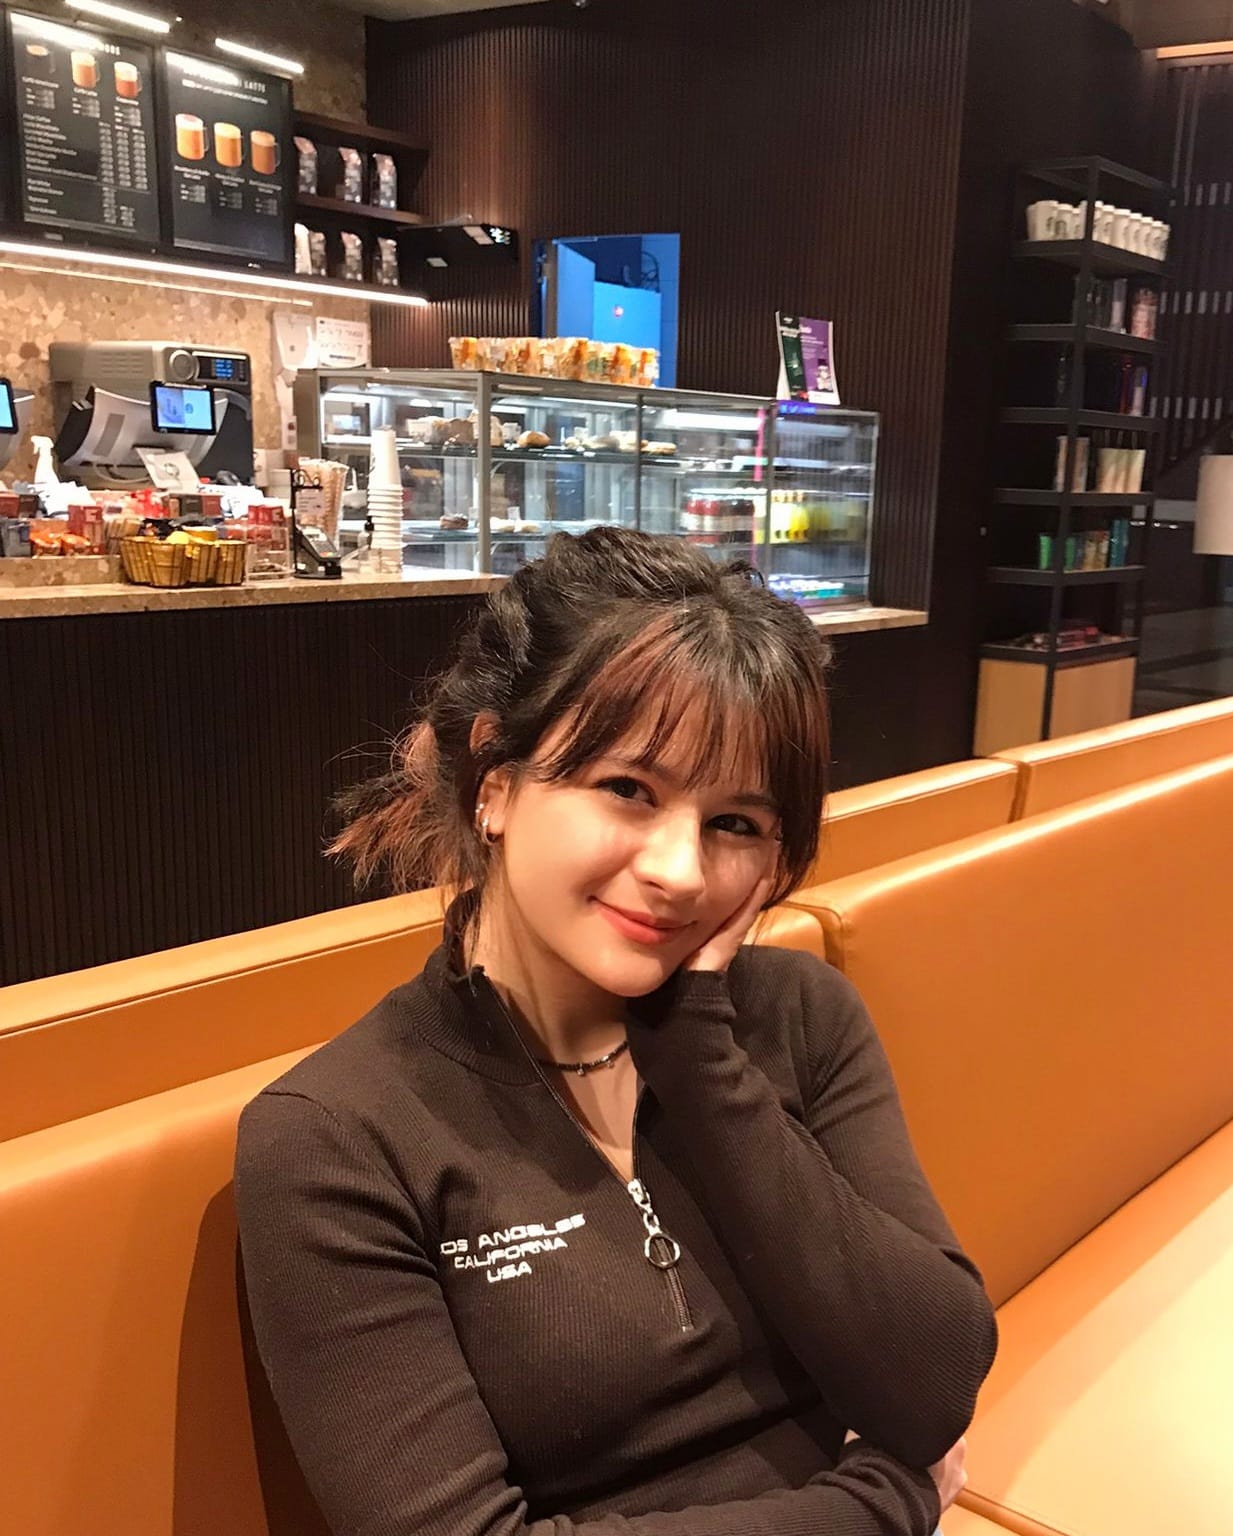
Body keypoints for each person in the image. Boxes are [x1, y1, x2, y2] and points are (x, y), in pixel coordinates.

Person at [235, 527, 997, 1536]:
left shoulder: (800, 1017)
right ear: (495, 780)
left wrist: (701, 1062)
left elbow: (933, 1385)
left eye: (735, 824)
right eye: (628, 791)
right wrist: (881, 1501)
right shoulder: (339, 1136)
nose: (679, 871)